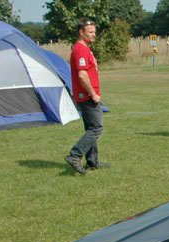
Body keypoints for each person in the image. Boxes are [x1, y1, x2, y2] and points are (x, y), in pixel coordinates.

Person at [65, 18, 109, 174]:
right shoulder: (81, 49)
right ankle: (75, 155)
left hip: (86, 95)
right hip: (87, 96)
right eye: (90, 32)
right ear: (81, 32)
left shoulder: (83, 49)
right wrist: (92, 93)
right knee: (96, 128)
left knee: (91, 128)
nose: (93, 35)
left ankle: (92, 161)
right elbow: (82, 75)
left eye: (94, 32)